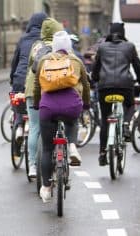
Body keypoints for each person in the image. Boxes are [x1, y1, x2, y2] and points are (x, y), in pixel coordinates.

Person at [33, 30, 90, 202]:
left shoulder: (44, 60)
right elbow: (86, 85)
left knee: (48, 149)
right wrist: (85, 104)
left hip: (48, 107)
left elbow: (37, 85)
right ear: (69, 46)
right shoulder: (76, 60)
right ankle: (72, 145)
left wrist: (37, 104)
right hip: (70, 106)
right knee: (72, 122)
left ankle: (46, 187)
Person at [92, 22, 140, 166]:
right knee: (130, 105)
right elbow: (137, 66)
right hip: (124, 86)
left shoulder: (102, 47)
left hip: (105, 87)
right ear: (122, 33)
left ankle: (102, 153)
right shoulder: (130, 47)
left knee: (105, 121)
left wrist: (95, 79)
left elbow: (96, 68)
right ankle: (126, 123)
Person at [24, 17, 64, 177]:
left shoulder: (36, 46)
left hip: (32, 90)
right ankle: (57, 157)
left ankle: (32, 166)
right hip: (52, 91)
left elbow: (29, 67)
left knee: (34, 127)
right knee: (57, 124)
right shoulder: (59, 46)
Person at [9, 12, 47, 177]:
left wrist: (13, 78)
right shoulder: (45, 40)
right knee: (36, 124)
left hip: (19, 80)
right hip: (38, 82)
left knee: (19, 105)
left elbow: (15, 61)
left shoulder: (23, 39)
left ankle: (18, 126)